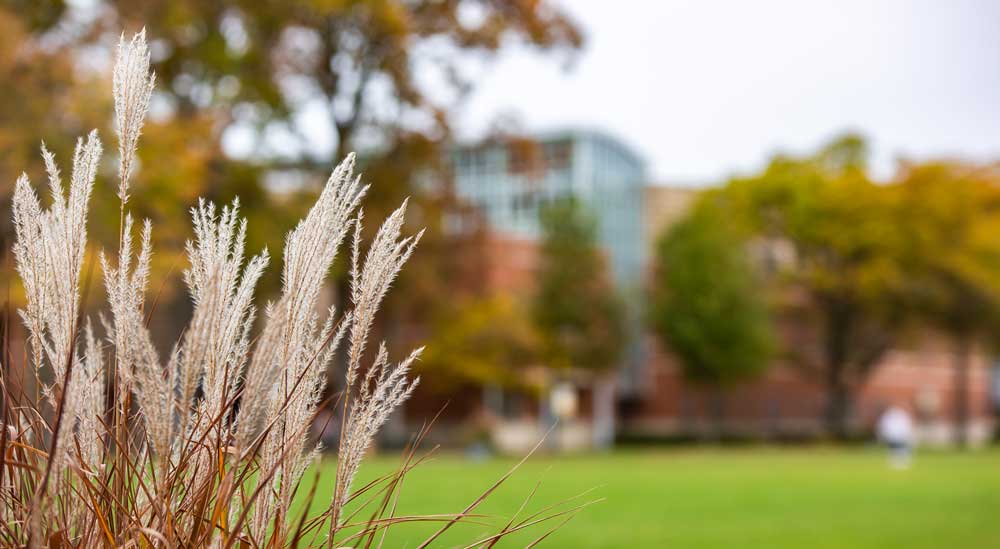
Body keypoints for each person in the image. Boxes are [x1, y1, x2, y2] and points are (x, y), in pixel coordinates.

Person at [877, 404, 914, 469]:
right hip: (893, 436)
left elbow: (906, 426)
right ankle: (896, 463)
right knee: (894, 450)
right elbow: (884, 426)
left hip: (900, 436)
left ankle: (901, 463)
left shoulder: (901, 416)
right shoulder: (889, 417)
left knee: (901, 450)